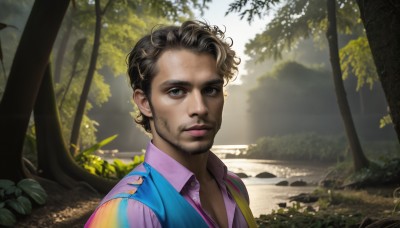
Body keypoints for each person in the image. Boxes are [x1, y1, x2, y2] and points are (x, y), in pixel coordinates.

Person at [85, 20, 256, 228]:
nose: (200, 108)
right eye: (176, 91)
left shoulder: (234, 187)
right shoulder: (131, 210)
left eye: (210, 89)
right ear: (145, 103)